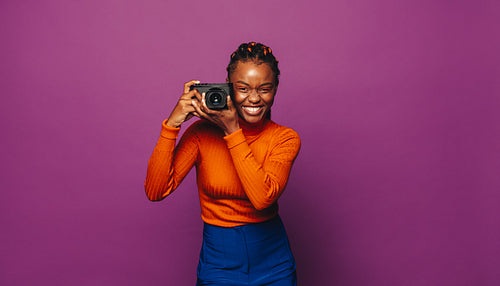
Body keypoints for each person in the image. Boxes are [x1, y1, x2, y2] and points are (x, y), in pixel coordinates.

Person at [145, 42, 301, 285]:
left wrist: (232, 130)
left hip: (274, 263)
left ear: (276, 89)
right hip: (218, 264)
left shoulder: (285, 138)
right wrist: (172, 125)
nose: (253, 98)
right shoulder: (202, 134)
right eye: (242, 88)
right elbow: (155, 191)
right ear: (228, 86)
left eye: (264, 89)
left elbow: (261, 198)